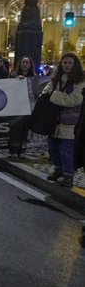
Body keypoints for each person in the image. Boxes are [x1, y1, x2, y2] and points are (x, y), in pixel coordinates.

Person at [41, 52, 85, 188]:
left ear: (75, 64)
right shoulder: (56, 78)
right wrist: (56, 95)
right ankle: (58, 170)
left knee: (67, 151)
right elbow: (45, 91)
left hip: (70, 123)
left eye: (70, 63)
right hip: (54, 121)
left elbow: (74, 99)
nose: (67, 65)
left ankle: (68, 176)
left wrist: (54, 95)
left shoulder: (80, 80)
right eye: (65, 62)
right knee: (53, 148)